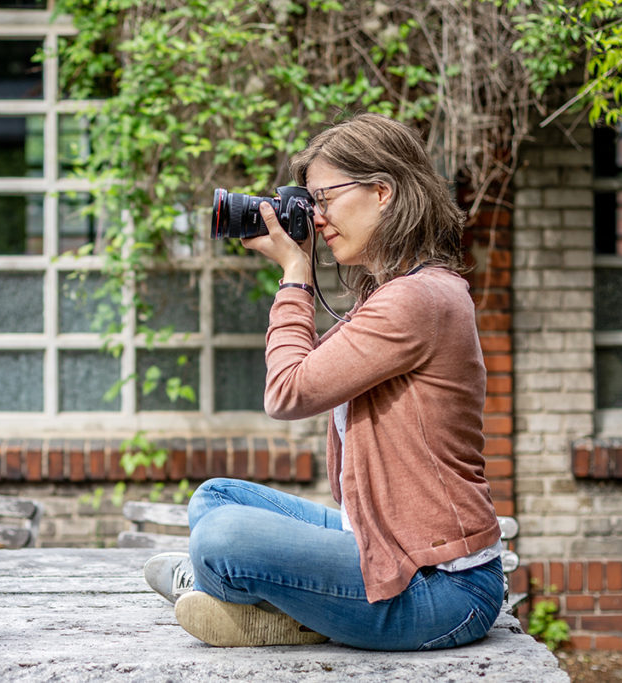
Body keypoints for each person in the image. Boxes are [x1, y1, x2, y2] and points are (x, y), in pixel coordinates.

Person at [144, 113, 505, 651]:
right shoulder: (393, 292)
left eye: (325, 198)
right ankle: (302, 611)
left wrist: (295, 275)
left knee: (222, 539)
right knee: (215, 497)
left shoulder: (417, 299)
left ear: (382, 191)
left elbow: (288, 392)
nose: (315, 218)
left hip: (442, 588)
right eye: (309, 202)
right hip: (383, 543)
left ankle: (249, 595)